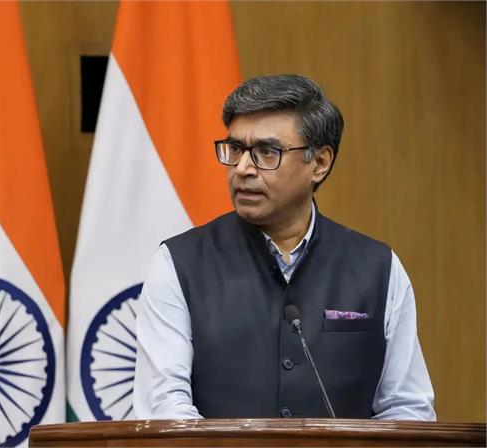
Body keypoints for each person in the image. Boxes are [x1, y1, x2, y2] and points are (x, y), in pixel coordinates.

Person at [133, 74, 435, 420]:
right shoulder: (179, 263)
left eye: (266, 152)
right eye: (235, 149)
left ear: (319, 163)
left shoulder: (378, 268)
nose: (243, 169)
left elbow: (407, 408)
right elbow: (164, 409)